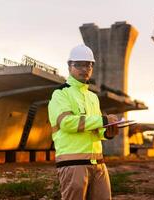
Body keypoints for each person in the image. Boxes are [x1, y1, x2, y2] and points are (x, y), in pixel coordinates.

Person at [48, 44, 119, 200]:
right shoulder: (60, 94)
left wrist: (107, 132)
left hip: (98, 163)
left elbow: (96, 129)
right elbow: (67, 123)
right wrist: (102, 120)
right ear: (69, 66)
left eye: (88, 65)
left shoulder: (92, 97)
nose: (84, 69)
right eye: (78, 64)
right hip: (73, 163)